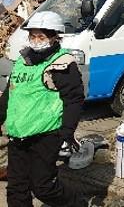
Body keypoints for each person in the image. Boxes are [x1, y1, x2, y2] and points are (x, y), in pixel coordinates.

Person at [0, 11, 84, 207]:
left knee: (43, 187)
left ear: (54, 37)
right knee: (16, 188)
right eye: (32, 36)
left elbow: (74, 99)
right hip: (18, 134)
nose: (36, 41)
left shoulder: (62, 63)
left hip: (46, 136)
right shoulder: (22, 61)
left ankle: (76, 204)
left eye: (41, 36)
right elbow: (9, 94)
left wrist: (67, 132)